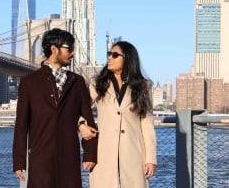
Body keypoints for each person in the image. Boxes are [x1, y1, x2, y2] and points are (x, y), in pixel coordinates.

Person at [12, 28, 98, 188]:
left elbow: (88, 119)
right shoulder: (28, 83)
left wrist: (90, 153)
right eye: (69, 49)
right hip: (40, 161)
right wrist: (18, 160)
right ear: (53, 49)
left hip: (69, 159)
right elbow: (21, 125)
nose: (72, 53)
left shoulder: (77, 82)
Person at [87, 41, 157, 188]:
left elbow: (147, 124)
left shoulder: (143, 87)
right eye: (109, 54)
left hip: (133, 153)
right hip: (103, 153)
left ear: (128, 59)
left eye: (115, 55)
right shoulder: (97, 83)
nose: (109, 58)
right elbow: (80, 109)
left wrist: (151, 158)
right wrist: (81, 125)